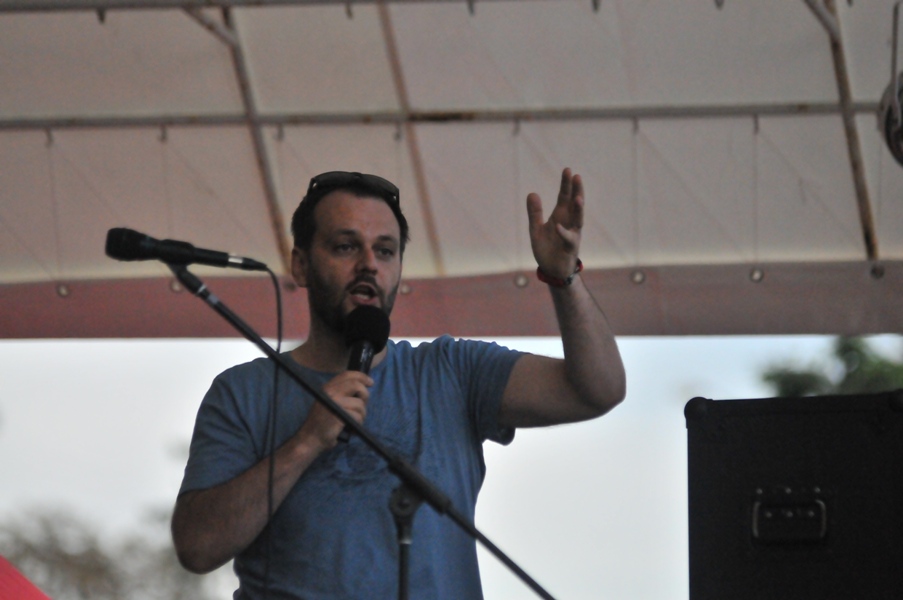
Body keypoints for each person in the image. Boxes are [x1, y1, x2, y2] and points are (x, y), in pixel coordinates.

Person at [171, 168, 626, 599]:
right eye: (346, 247)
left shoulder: (452, 370)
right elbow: (197, 547)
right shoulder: (242, 392)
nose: (369, 265)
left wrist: (563, 276)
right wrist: (306, 442)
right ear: (301, 265)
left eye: (385, 251)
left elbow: (598, 390)